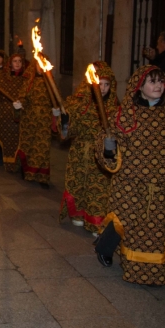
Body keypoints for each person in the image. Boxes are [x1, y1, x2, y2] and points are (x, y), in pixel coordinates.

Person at [94, 65, 165, 286]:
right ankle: (105, 248)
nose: (157, 86)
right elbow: (108, 144)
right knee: (123, 221)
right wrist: (109, 148)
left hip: (159, 187)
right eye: (152, 82)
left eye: (160, 82)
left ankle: (146, 268)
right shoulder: (125, 114)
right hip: (129, 183)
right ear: (139, 88)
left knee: (152, 228)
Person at [59, 61, 118, 235]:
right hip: (80, 152)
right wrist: (63, 120)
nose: (103, 88)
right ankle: (78, 214)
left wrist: (111, 142)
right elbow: (70, 130)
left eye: (107, 85)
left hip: (101, 156)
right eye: (100, 84)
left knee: (98, 189)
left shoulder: (115, 109)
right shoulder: (81, 105)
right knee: (79, 185)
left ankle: (96, 221)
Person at [14, 59, 58, 189]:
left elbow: (56, 97)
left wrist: (56, 110)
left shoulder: (50, 81)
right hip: (29, 117)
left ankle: (42, 177)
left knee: (43, 147)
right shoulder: (29, 80)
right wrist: (19, 104)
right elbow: (22, 96)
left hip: (44, 119)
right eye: (39, 64)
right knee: (28, 145)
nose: (41, 67)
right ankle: (26, 171)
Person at [0, 53, 24, 170]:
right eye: (15, 61)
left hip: (19, 114)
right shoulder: (4, 78)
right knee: (4, 137)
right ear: (10, 64)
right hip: (4, 113)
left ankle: (17, 163)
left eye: (19, 61)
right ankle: (1, 159)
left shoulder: (26, 79)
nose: (17, 63)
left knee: (18, 139)